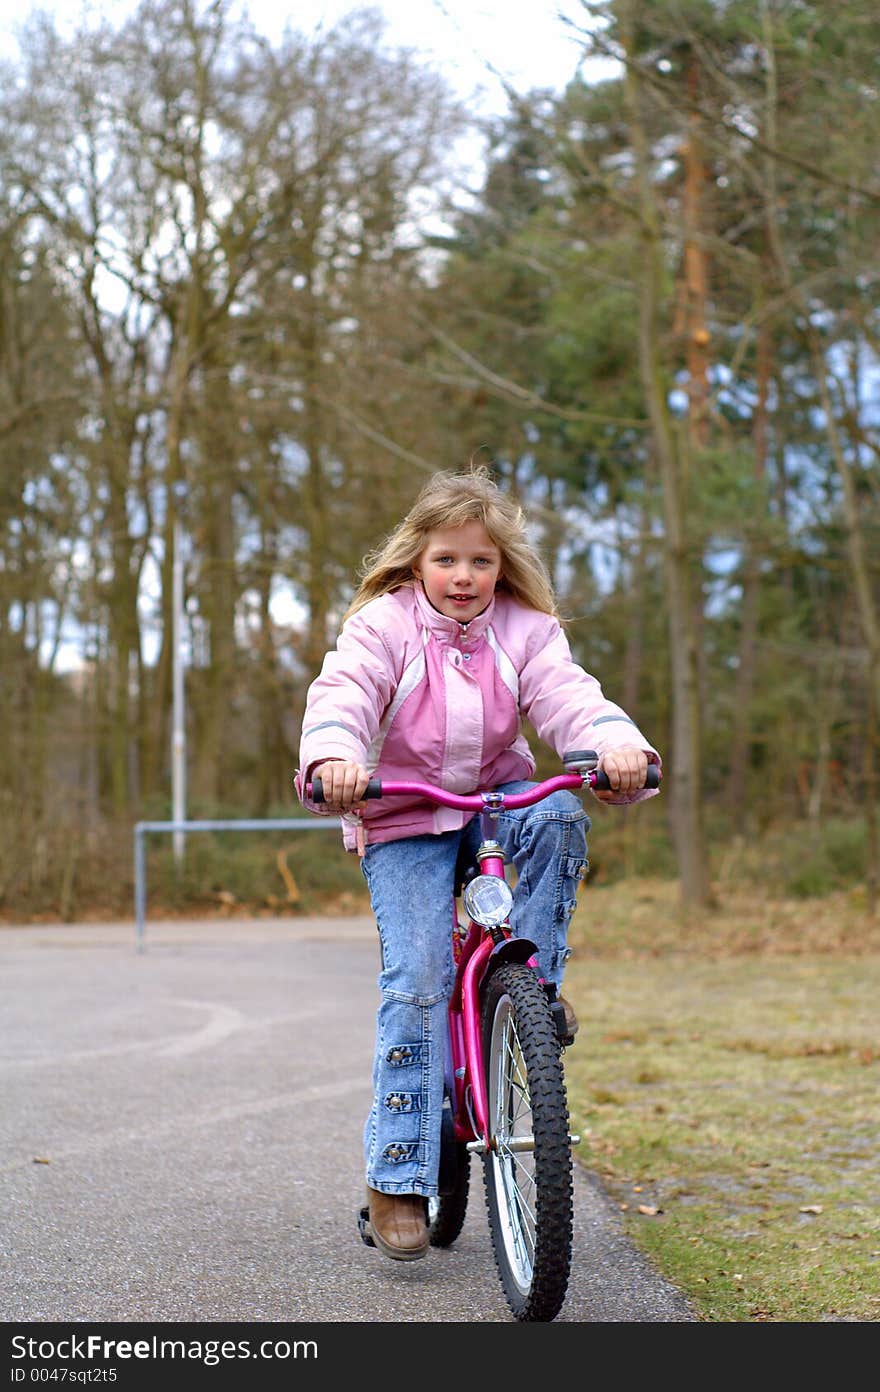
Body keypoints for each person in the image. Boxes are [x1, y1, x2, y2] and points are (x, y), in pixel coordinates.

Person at [295, 466, 660, 1262]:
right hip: (403, 815)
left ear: (504, 568)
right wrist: (335, 758)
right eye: (447, 561)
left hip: (495, 801)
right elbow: (344, 697)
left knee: (558, 813)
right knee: (420, 981)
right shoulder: (382, 628)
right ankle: (397, 1176)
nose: (464, 578)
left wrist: (615, 746)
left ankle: (533, 990)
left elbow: (567, 693)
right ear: (416, 563)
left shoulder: (525, 629)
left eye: (482, 562)